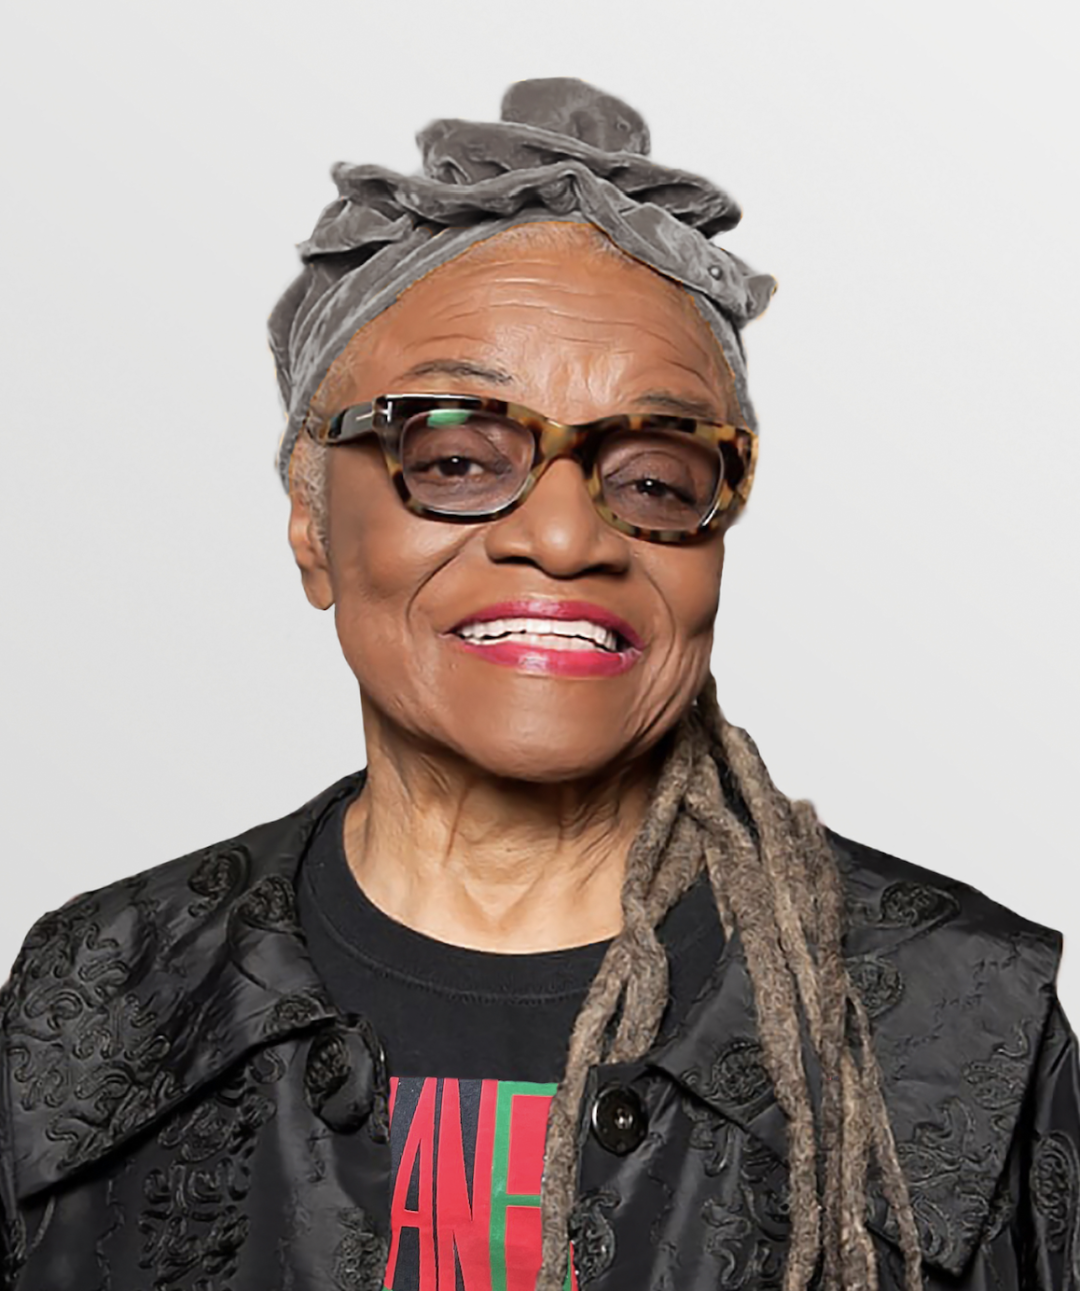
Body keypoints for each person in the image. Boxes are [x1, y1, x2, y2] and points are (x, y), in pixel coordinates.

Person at [0, 77, 1076, 1291]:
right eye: (458, 457)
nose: (565, 538)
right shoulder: (104, 994)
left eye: (655, 478)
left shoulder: (957, 1023)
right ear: (311, 519)